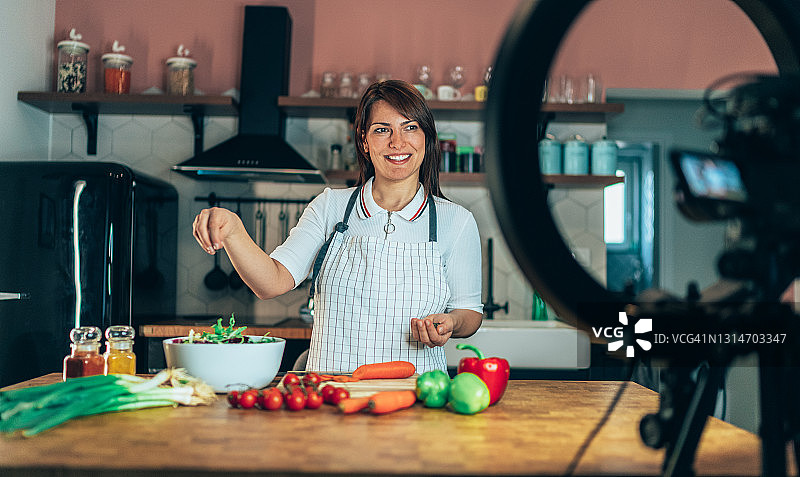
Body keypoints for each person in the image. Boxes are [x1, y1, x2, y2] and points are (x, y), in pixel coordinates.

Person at [192, 79, 483, 373]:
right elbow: (271, 282)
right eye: (382, 130)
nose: (397, 142)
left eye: (410, 127)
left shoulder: (455, 221)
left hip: (417, 391)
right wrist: (233, 229)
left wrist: (451, 322)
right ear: (364, 141)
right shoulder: (330, 206)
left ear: (426, 138)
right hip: (332, 391)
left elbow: (470, 313)